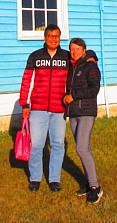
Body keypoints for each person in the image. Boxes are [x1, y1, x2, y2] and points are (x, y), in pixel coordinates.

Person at [19, 24, 71, 192]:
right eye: (50, 36)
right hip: (38, 108)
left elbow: (81, 67)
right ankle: (35, 178)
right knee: (37, 145)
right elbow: (26, 81)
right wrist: (24, 104)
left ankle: (54, 179)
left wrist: (91, 57)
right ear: (45, 37)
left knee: (57, 144)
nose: (53, 39)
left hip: (59, 109)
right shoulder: (35, 56)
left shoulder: (67, 57)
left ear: (60, 38)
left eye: (57, 36)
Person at [64, 37, 103, 204]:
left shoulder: (90, 65)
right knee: (83, 148)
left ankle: (95, 187)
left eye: (77, 49)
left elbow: (94, 90)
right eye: (72, 49)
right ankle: (88, 183)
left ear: (84, 50)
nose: (74, 52)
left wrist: (73, 96)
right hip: (73, 113)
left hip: (86, 112)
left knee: (81, 148)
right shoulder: (72, 67)